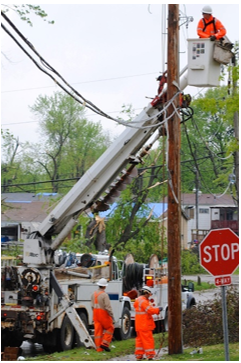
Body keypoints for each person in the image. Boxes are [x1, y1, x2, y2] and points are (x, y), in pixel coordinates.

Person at [133, 286, 163, 361]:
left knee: (140, 340)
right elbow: (151, 310)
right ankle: (150, 355)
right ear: (146, 293)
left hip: (139, 325)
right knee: (148, 340)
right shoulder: (144, 301)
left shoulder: (138, 301)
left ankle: (139, 355)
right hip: (145, 324)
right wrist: (158, 310)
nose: (149, 297)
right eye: (149, 295)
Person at [91, 278, 114, 352]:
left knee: (98, 332)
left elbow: (92, 306)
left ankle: (99, 349)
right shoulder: (104, 295)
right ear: (104, 286)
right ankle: (104, 344)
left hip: (95, 314)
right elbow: (108, 307)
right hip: (103, 314)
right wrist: (112, 315)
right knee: (110, 328)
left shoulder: (93, 294)